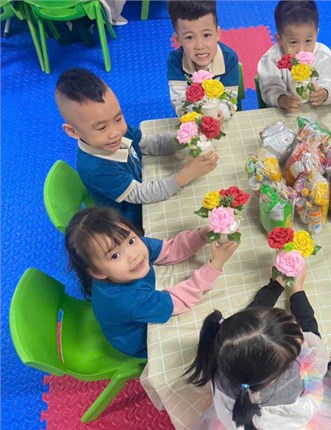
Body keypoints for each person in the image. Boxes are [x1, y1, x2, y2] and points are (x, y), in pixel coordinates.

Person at [185, 268, 331, 430]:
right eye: (297, 341)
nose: (301, 338)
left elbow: (249, 327)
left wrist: (277, 284)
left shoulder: (223, 356)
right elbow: (312, 333)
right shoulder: (296, 379)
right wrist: (297, 289)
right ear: (273, 379)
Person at [55, 68, 218, 231]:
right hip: (131, 224)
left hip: (144, 186)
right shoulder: (96, 168)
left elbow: (152, 144)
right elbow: (141, 194)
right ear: (73, 131)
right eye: (102, 127)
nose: (115, 132)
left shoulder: (118, 133)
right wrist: (186, 175)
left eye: (118, 118)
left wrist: (186, 135)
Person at [65, 207, 238, 358]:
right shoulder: (125, 300)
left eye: (131, 240)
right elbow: (175, 302)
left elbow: (169, 249)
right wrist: (215, 265)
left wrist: (201, 235)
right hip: (139, 340)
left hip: (138, 307)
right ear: (98, 272)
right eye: (115, 256)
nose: (134, 256)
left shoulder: (130, 247)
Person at [257, 0, 331, 113]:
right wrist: (283, 100)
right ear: (280, 39)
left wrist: (325, 93)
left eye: (308, 41)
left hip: (317, 112)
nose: (301, 50)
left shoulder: (325, 57)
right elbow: (269, 89)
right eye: (293, 42)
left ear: (316, 34)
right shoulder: (272, 59)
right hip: (285, 113)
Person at [167, 0, 239, 119]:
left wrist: (220, 114)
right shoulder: (176, 61)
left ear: (217, 33)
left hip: (224, 117)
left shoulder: (228, 58)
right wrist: (196, 118)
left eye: (206, 35)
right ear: (178, 39)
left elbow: (230, 99)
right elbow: (179, 101)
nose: (199, 46)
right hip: (192, 118)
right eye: (189, 37)